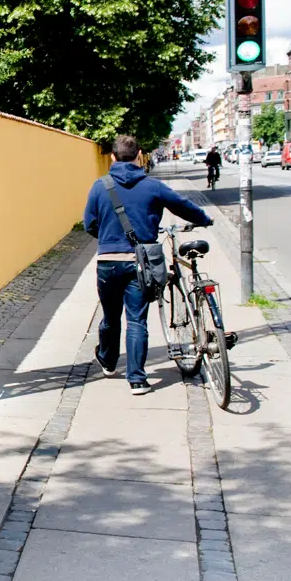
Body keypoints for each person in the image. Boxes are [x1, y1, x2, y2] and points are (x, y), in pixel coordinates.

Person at [83, 135, 214, 395]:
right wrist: (204, 218)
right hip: (141, 262)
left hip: (108, 262)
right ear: (139, 155)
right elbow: (183, 206)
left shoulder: (100, 186)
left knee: (110, 316)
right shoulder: (152, 186)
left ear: (112, 157)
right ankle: (137, 380)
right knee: (137, 321)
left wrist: (110, 240)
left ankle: (108, 360)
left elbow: (89, 224)